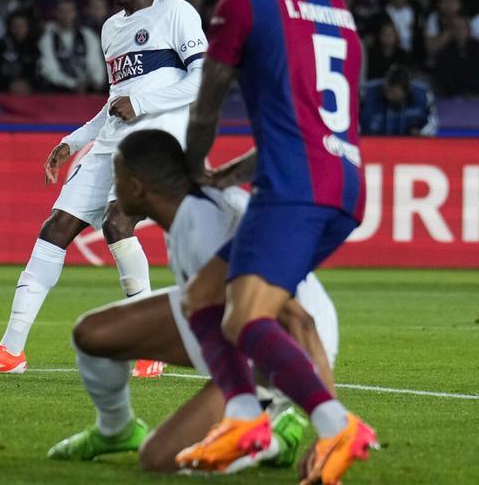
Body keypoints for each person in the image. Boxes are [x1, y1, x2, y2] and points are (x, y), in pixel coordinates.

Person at [178, 0, 376, 480]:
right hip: (341, 182)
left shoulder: (245, 1)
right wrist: (238, 170)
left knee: (242, 319)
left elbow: (206, 106)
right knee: (203, 298)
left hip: (292, 190)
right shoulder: (336, 7)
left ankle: (334, 423)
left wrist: (193, 169)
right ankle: (244, 415)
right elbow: (313, 121)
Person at [0, 0, 206, 375]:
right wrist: (71, 142)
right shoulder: (111, 30)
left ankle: (150, 344)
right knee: (55, 229)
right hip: (112, 141)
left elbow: (202, 79)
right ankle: (10, 350)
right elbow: (115, 100)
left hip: (155, 139)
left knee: (117, 223)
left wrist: (143, 106)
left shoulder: (176, 12)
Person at [47, 130, 338, 475]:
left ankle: (276, 437)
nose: (113, 188)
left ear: (138, 188)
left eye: (118, 178)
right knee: (93, 334)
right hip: (224, 318)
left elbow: (298, 319)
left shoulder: (210, 227)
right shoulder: (188, 212)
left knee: (160, 458)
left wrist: (330, 434)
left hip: (278, 347)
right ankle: (116, 431)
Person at [360, 65, 436, 136]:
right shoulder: (366, 94)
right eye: (387, 91)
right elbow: (352, 121)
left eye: (394, 93)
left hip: (410, 144)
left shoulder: (423, 96)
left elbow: (432, 122)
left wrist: (422, 133)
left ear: (406, 91)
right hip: (372, 142)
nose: (388, 96)